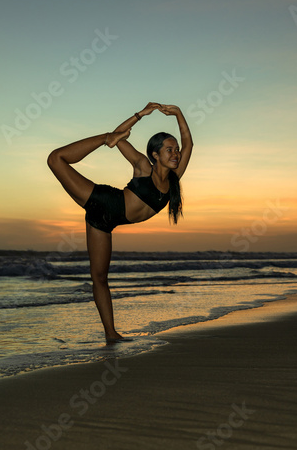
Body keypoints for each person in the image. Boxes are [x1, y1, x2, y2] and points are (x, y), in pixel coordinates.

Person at [47, 102, 193, 343]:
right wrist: (138, 116)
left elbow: (189, 144)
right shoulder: (143, 166)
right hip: (102, 200)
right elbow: (117, 138)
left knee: (100, 278)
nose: (176, 153)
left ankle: (111, 334)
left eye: (175, 150)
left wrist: (178, 113)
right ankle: (100, 136)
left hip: (104, 223)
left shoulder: (175, 178)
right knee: (55, 159)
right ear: (155, 155)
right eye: (169, 149)